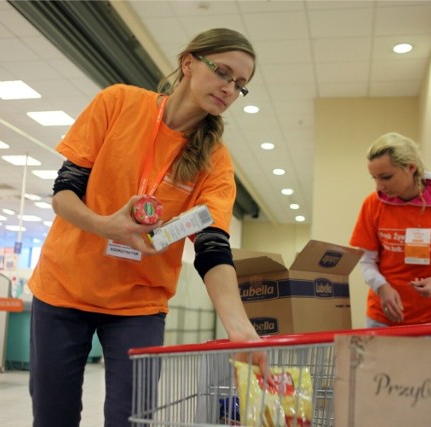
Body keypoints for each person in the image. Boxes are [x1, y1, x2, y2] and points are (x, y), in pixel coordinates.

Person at [27, 28, 265, 427]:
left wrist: (239, 326)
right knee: (54, 416)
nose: (229, 88)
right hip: (63, 289)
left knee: (132, 418)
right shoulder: (118, 102)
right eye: (223, 72)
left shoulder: (216, 163)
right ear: (188, 63)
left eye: (240, 85)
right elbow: (64, 193)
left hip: (138, 305)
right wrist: (105, 226)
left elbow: (212, 247)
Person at [349, 132, 431, 327]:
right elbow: (366, 260)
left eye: (386, 177)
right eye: (374, 178)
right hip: (383, 318)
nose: (379, 186)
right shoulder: (372, 204)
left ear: (411, 167)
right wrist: (382, 287)